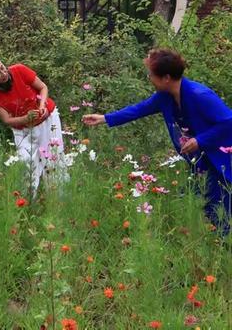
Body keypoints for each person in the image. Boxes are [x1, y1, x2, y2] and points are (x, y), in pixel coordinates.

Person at [82, 48, 232, 234]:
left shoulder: (199, 95)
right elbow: (139, 109)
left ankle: (223, 247)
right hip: (200, 163)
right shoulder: (165, 97)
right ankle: (215, 245)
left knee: (221, 211)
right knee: (200, 204)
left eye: (151, 75)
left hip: (221, 161)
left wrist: (200, 140)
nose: (149, 78)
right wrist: (105, 118)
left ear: (166, 78)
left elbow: (228, 122)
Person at [0, 55, 68, 197]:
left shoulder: (19, 70)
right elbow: (7, 120)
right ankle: (28, 202)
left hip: (47, 120)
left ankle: (59, 198)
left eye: (2, 68)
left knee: (52, 160)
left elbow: (43, 87)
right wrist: (25, 119)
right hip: (23, 129)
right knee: (27, 164)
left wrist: (42, 105)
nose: (3, 74)